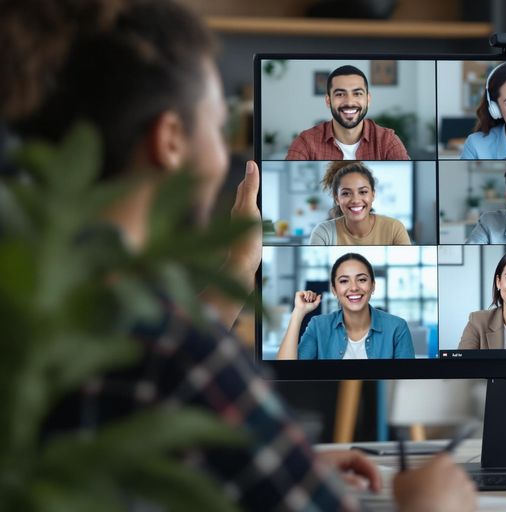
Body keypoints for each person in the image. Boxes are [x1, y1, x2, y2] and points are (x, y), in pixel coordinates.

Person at [6, 1, 475, 510]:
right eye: (215, 121)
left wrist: (280, 465)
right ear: (170, 140)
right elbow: (180, 364)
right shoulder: (179, 349)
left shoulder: (49, 303)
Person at [276, 253, 415, 360]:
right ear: (334, 289)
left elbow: (407, 381)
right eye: (344, 281)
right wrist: (298, 313)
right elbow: (285, 371)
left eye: (361, 280)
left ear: (372, 286)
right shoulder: (318, 326)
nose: (354, 287)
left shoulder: (397, 327)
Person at [286, 65, 410, 161]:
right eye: (340, 94)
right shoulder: (306, 142)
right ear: (328, 101)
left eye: (357, 93)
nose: (349, 102)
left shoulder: (387, 141)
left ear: (368, 99)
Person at [308, 161, 412, 245]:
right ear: (336, 199)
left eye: (363, 192)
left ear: (373, 194)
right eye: (346, 193)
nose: (355, 200)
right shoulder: (323, 232)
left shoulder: (394, 228)